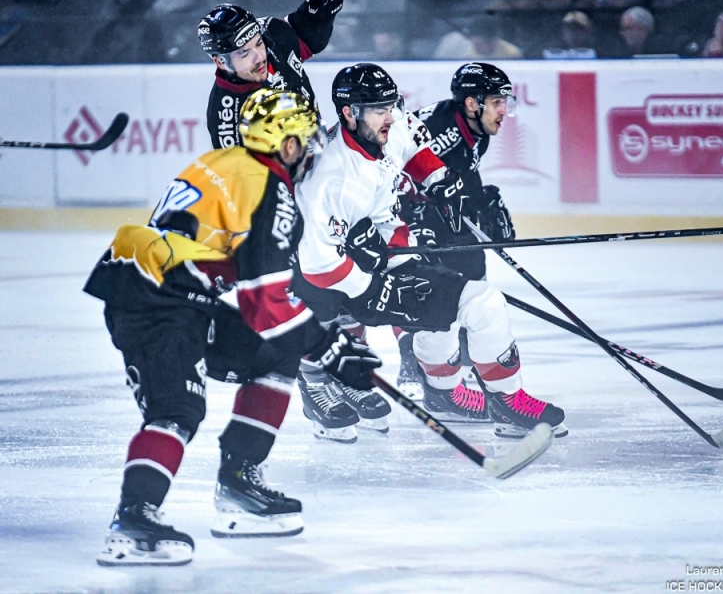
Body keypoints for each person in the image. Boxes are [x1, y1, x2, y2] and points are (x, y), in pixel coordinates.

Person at [85, 89, 381, 566]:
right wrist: (330, 348)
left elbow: (249, 284)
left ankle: (239, 483)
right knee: (176, 410)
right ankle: (133, 523)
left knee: (276, 353)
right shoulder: (270, 189)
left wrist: (317, 341)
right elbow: (266, 304)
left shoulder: (224, 162)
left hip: (157, 286)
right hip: (160, 300)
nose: (311, 154)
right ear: (287, 145)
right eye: (307, 142)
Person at [293, 63, 567, 442]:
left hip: (382, 258)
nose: (392, 117)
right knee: (338, 320)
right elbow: (317, 265)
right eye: (380, 110)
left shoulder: (387, 128)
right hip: (333, 282)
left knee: (480, 302)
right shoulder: (332, 178)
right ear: (349, 113)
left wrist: (439, 179)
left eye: (392, 106)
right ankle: (315, 381)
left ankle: (467, 397)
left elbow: (411, 146)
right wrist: (375, 287)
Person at [401, 62, 517, 410]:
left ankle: (461, 361)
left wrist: (482, 202)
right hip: (408, 216)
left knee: (473, 267)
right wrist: (413, 224)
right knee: (423, 286)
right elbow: (392, 174)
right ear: (471, 103)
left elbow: (464, 174)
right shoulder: (439, 131)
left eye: (505, 102)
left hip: (440, 212)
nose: (503, 111)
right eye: (497, 102)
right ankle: (412, 367)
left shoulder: (477, 129)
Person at [198, 0, 343, 149]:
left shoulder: (270, 34)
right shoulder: (226, 121)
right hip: (301, 162)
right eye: (245, 54)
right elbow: (241, 166)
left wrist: (322, 4)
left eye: (258, 43)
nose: (259, 57)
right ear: (220, 62)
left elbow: (307, 38)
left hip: (322, 150)